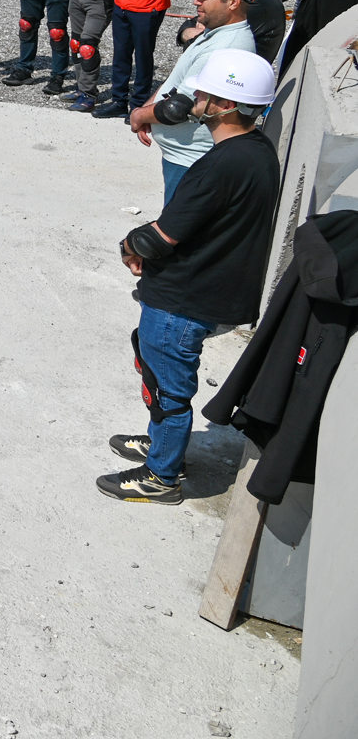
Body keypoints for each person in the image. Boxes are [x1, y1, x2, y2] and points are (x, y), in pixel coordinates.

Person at [105, 50, 280, 504]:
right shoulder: (256, 149)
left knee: (168, 389)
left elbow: (161, 237)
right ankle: (165, 445)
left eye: (204, 92)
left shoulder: (221, 165)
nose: (195, 97)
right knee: (157, 368)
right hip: (209, 291)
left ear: (225, 104)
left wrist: (130, 245)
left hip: (184, 300)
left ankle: (162, 476)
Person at [129, 0, 259, 205]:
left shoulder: (225, 47)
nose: (196, 1)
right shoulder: (216, 32)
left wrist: (139, 116)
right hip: (182, 156)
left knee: (175, 232)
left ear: (233, 2)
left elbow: (179, 107)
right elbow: (179, 79)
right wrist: (149, 111)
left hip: (190, 160)